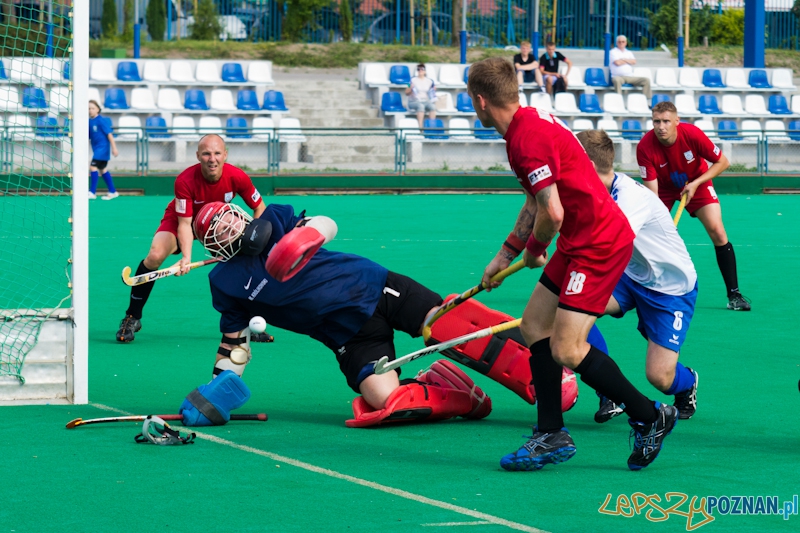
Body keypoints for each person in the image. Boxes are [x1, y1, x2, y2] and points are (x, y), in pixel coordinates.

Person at [185, 201, 607, 428]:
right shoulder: (224, 282)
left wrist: (308, 235)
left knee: (449, 323)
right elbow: (234, 345)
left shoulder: (275, 218)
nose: (225, 227)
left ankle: (539, 371)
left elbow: (327, 222)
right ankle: (460, 395)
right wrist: (218, 390)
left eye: (226, 218)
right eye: (214, 230)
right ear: (211, 246)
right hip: (346, 335)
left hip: (376, 287)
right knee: (382, 399)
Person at [467, 56, 678, 472]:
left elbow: (553, 213)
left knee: (567, 348)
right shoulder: (530, 122)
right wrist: (505, 254)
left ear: (480, 101)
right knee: (532, 328)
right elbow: (537, 200)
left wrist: (533, 250)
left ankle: (651, 416)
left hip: (598, 243)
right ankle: (550, 434)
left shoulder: (525, 141)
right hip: (578, 238)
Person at [577, 129, 699, 423]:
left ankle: (688, 382)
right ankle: (608, 390)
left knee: (660, 376)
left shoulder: (630, 198)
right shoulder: (593, 191)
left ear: (590, 167)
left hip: (670, 289)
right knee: (573, 310)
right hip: (631, 276)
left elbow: (609, 246)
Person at [115, 134, 267, 343]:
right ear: (198, 156)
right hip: (183, 220)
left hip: (219, 225)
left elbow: (259, 207)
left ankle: (247, 322)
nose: (212, 159)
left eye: (216, 153)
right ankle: (133, 316)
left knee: (244, 265)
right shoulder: (185, 180)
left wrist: (252, 239)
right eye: (206, 154)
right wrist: (186, 257)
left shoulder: (237, 176)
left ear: (225, 155)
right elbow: (185, 224)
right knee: (155, 255)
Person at [637, 101, 750, 311]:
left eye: (666, 121)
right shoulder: (645, 146)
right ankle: (644, 290)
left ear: (676, 122)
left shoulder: (692, 134)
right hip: (663, 189)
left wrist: (697, 183)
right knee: (649, 233)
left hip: (697, 181)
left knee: (718, 231)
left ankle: (734, 294)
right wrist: (660, 221)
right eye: (656, 121)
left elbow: (723, 162)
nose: (661, 126)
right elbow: (652, 195)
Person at [88, 100, 119, 200]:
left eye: (93, 108)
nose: (90, 110)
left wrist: (114, 148)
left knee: (93, 167)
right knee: (102, 170)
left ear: (98, 109)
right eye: (89, 108)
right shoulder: (89, 121)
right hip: (96, 149)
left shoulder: (101, 120)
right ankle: (113, 191)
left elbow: (109, 134)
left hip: (102, 149)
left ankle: (92, 192)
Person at [609, 35, 652, 100]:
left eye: (623, 42)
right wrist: (628, 60)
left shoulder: (629, 52)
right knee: (616, 80)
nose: (621, 43)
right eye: (619, 42)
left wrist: (623, 59)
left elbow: (634, 61)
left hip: (629, 77)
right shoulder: (613, 52)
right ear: (617, 43)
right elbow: (617, 63)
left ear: (626, 43)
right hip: (618, 76)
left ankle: (646, 101)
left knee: (646, 80)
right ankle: (618, 100)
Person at [405, 63, 437, 129]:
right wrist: (410, 88)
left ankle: (432, 127)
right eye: (418, 69)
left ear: (425, 71)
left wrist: (434, 90)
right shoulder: (411, 80)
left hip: (425, 100)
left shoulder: (430, 81)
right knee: (421, 106)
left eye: (422, 69)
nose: (420, 70)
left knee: (433, 107)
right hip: (414, 101)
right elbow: (406, 92)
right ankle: (420, 128)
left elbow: (432, 93)